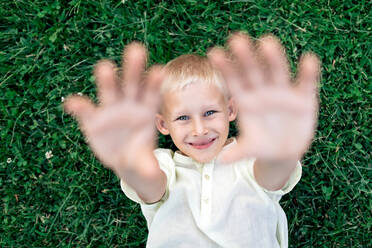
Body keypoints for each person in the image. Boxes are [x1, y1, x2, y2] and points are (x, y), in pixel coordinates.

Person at [64, 32, 320, 247]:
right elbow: (149, 187)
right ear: (163, 124)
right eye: (183, 118)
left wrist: (282, 146)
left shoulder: (249, 159)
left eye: (210, 113)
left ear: (231, 110)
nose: (199, 129)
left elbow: (273, 175)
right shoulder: (164, 167)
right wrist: (128, 160)